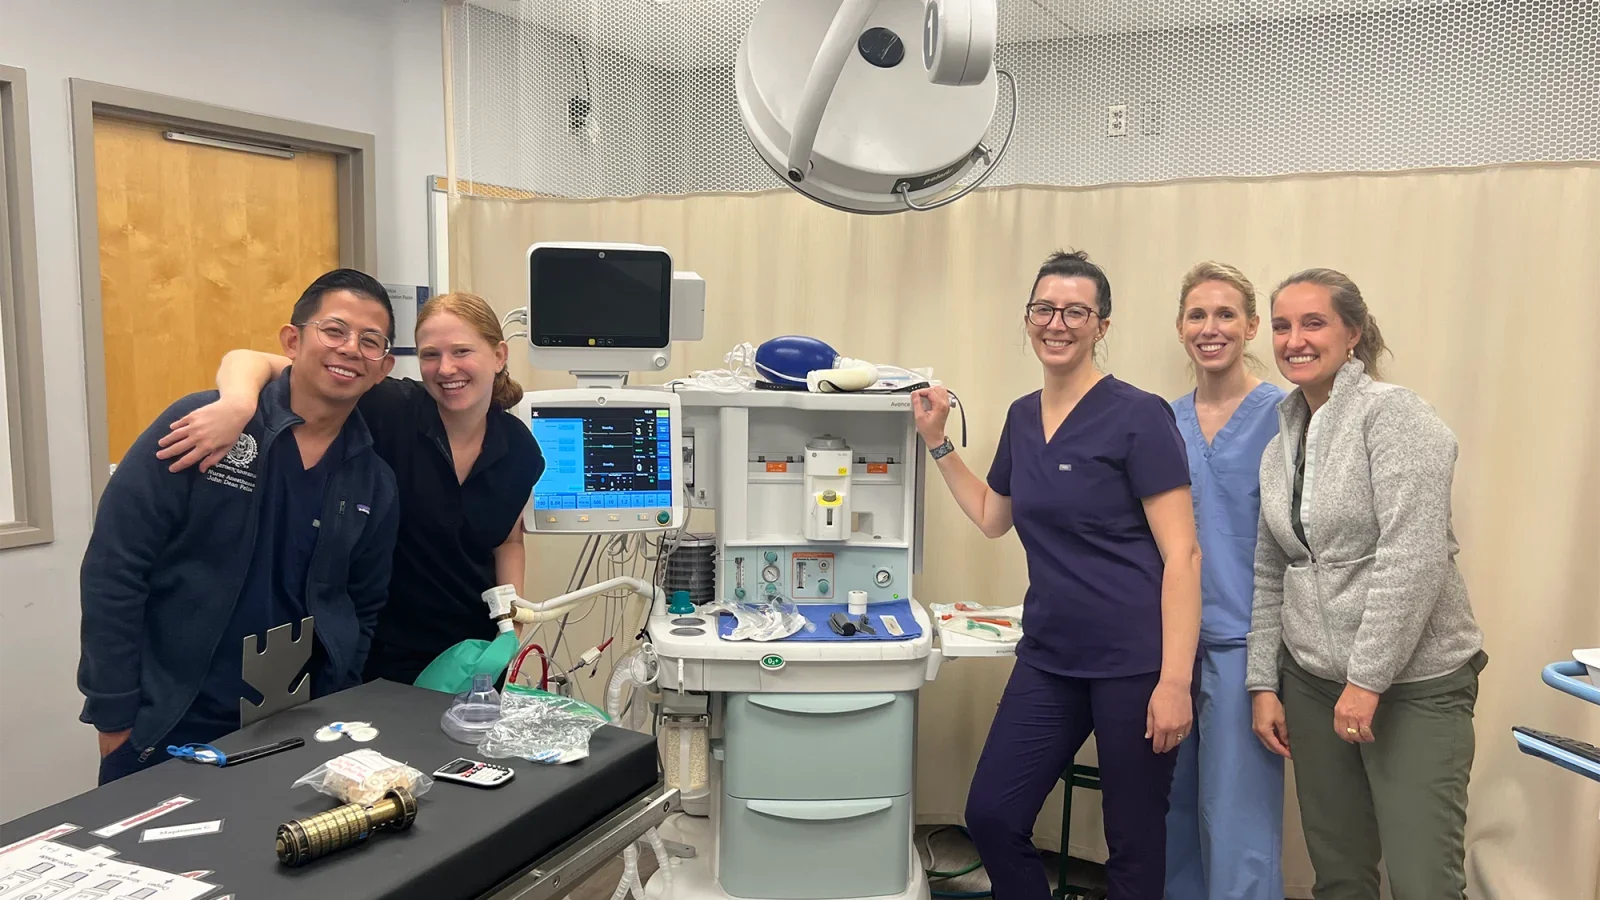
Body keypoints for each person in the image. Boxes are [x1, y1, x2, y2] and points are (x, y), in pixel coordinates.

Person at [912, 250, 1202, 899]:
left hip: (1136, 662)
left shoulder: (1138, 414)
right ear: (1028, 319)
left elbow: (1183, 554)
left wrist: (1175, 681)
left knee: (1133, 841)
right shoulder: (1021, 416)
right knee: (992, 813)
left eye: (1076, 311)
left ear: (1102, 325)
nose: (1058, 322)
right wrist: (938, 441)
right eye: (1045, 308)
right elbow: (994, 516)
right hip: (1051, 656)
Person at [79, 269, 402, 785]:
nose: (349, 349)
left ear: (383, 367)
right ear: (292, 340)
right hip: (172, 721)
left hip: (302, 729)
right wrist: (113, 711)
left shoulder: (373, 481)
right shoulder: (205, 428)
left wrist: (344, 695)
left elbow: (362, 605)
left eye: (370, 341)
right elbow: (115, 567)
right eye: (334, 330)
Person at [157, 292, 544, 686]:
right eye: (431, 355)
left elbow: (508, 541)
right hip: (375, 649)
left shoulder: (519, 450)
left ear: (499, 356)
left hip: (469, 658)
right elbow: (247, 359)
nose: (446, 369)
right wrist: (238, 403)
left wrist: (512, 629)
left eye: (462, 351)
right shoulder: (387, 408)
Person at [1246, 268, 1486, 899]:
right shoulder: (1280, 446)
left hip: (1413, 685)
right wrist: (1264, 681)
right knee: (1341, 875)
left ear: (1353, 333)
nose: (1295, 339)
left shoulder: (1394, 415)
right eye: (1281, 326)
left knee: (1424, 882)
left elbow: (1414, 556)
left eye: (1313, 322)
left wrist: (1366, 680)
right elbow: (1273, 569)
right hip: (1311, 680)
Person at [1164, 262, 1287, 900]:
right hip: (1168, 649)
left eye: (1225, 315)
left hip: (1247, 646)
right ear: (1180, 328)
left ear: (1251, 326)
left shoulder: (1287, 417)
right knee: (1171, 815)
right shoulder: (1162, 420)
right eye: (1197, 315)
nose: (1210, 329)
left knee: (1238, 820)